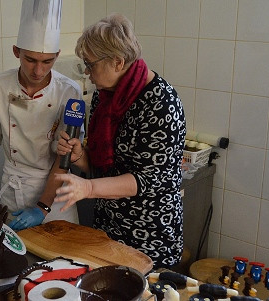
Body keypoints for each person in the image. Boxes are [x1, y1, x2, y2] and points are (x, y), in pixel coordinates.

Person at [54, 13, 186, 269]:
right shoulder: (104, 98)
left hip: (149, 238)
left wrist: (88, 189)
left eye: (90, 64)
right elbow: (103, 167)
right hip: (109, 231)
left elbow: (147, 179)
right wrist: (80, 155)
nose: (88, 73)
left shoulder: (162, 103)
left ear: (117, 61)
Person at [0, 0, 83, 231]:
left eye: (47, 61)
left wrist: (42, 207)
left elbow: (65, 156)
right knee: (14, 260)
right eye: (30, 60)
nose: (38, 71)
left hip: (55, 196)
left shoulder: (69, 92)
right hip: (12, 187)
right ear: (16, 51)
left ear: (57, 55)